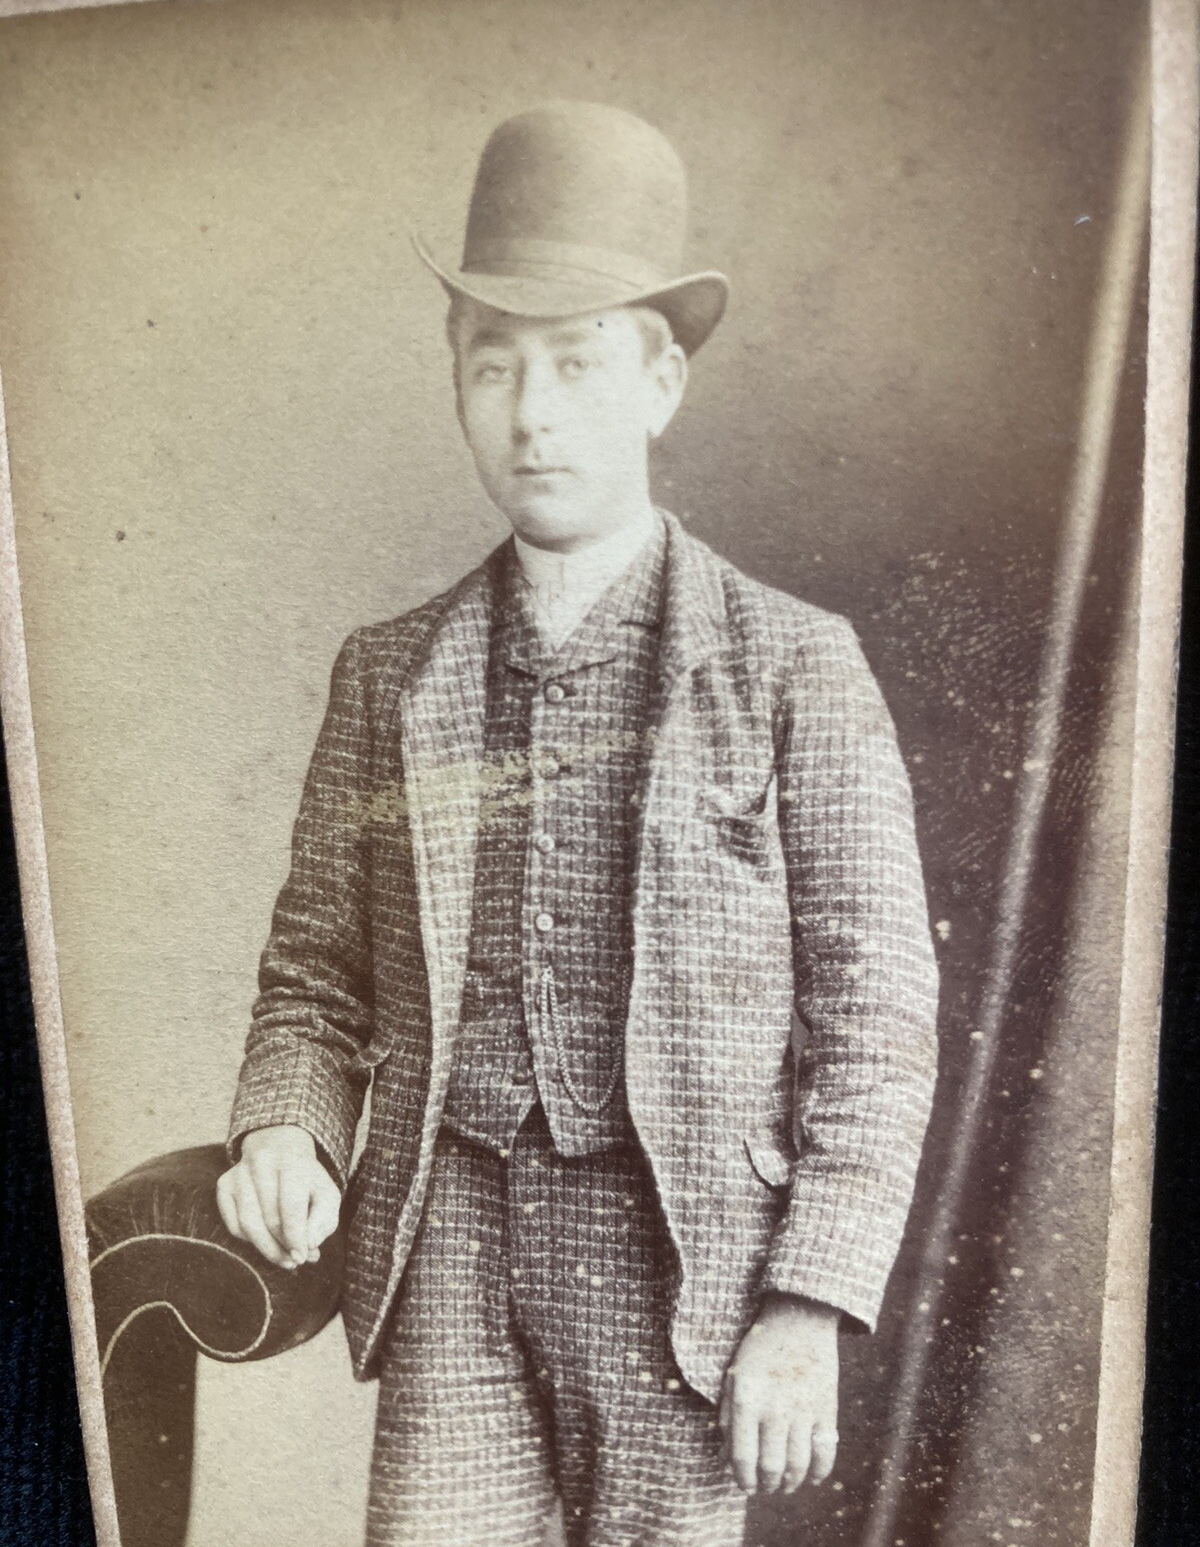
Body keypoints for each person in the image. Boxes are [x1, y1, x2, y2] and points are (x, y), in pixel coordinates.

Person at [216, 100, 939, 1547]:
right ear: (456, 384)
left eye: (577, 362)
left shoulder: (796, 665)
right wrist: (284, 1130)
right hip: (448, 1260)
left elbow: (879, 1016)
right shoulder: (390, 673)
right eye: (495, 364)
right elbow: (314, 979)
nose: (533, 413)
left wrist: (808, 1301)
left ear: (662, 382)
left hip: (686, 1272)